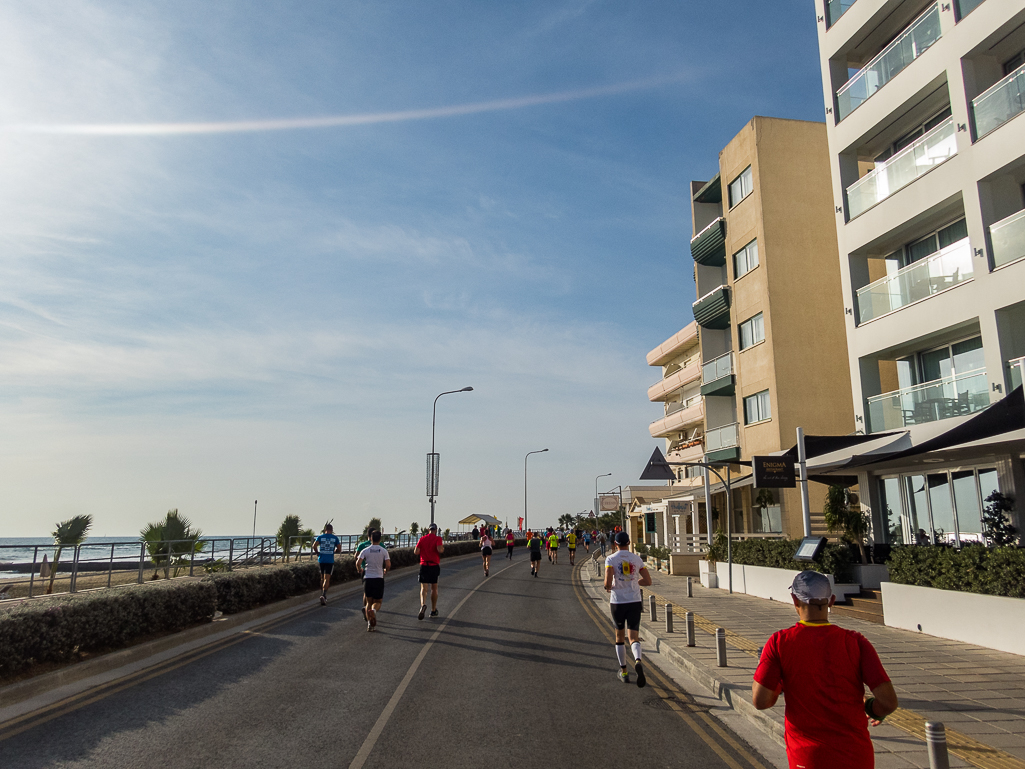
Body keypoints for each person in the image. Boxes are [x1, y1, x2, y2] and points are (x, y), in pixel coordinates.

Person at [752, 570, 898, 769]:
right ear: (832, 601)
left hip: (808, 756)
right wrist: (872, 708)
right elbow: (888, 702)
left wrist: (780, 684)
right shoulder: (856, 642)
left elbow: (761, 701)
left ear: (795, 600)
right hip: (856, 756)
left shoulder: (780, 643)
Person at [604, 531, 650, 687]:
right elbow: (648, 580)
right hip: (634, 600)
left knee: (619, 637)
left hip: (618, 602)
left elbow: (607, 582)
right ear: (629, 543)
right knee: (633, 637)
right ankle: (637, 660)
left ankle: (624, 671)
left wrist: (608, 586)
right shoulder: (636, 559)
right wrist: (636, 583)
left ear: (615, 544)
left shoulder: (611, 559)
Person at [355, 529, 391, 632]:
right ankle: (374, 611)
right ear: (380, 538)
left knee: (368, 602)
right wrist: (385, 570)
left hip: (368, 578)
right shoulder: (383, 550)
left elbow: (358, 562)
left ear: (371, 538)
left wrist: (359, 569)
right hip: (378, 578)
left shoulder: (365, 550)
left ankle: (369, 624)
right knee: (378, 601)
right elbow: (388, 564)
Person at [414, 522, 445, 619]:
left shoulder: (422, 538)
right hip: (434, 565)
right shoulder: (438, 539)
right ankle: (433, 610)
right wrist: (442, 548)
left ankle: (423, 604)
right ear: (435, 530)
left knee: (423, 588)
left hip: (424, 565)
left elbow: (416, 551)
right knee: (434, 588)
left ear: (428, 530)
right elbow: (440, 550)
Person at [313, 524, 342, 606]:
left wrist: (317, 553)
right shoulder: (335, 538)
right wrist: (335, 551)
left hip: (321, 559)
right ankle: (324, 595)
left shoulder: (320, 537)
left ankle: (321, 592)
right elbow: (339, 549)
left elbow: (314, 546)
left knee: (322, 577)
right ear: (332, 530)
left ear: (324, 529)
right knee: (327, 578)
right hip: (330, 560)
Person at [355, 533, 373, 620]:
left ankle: (365, 607)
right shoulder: (380, 545)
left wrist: (360, 568)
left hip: (364, 570)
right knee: (374, 594)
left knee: (366, 592)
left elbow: (356, 556)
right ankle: (369, 610)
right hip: (376, 572)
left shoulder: (362, 545)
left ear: (368, 535)